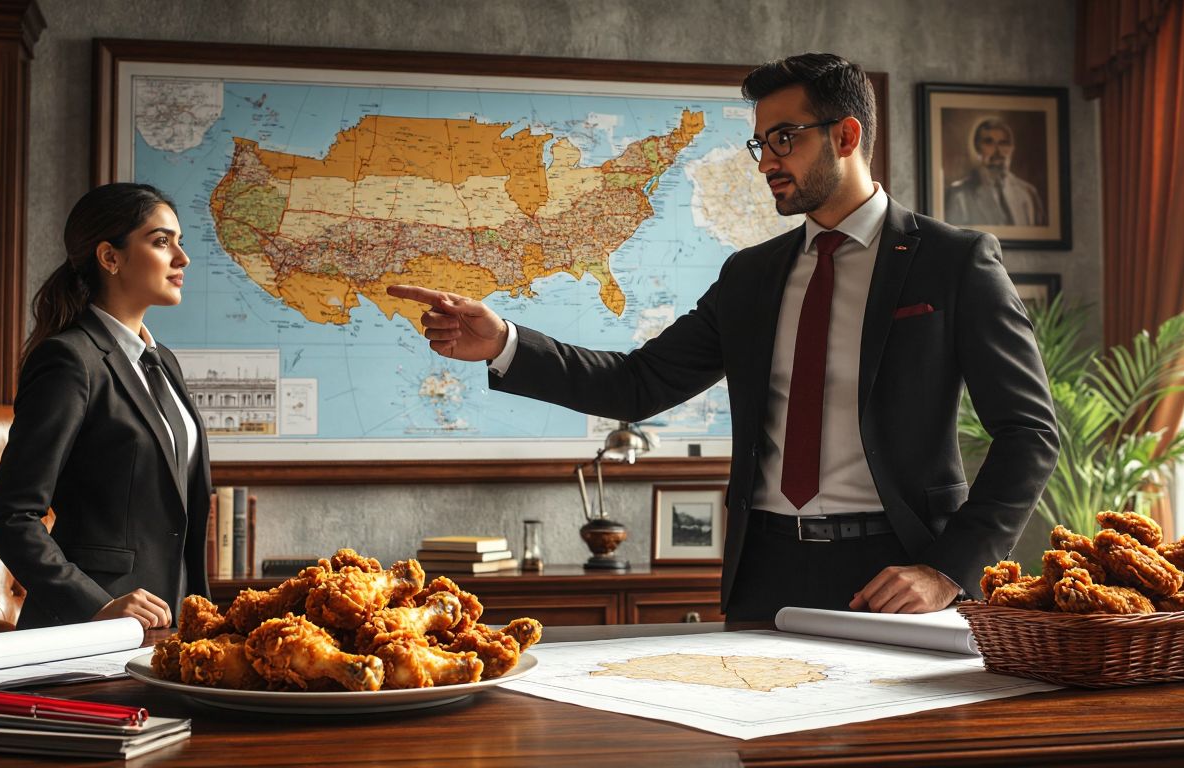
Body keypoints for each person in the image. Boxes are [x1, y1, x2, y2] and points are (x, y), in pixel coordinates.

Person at [388, 53, 1059, 620]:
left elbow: (1029, 431)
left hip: (896, 573)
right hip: (763, 573)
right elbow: (638, 384)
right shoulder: (751, 276)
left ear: (847, 135)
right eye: (760, 143)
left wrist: (946, 570)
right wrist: (504, 341)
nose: (766, 160)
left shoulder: (954, 262)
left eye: (785, 138)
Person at [0, 183, 211, 630]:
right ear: (110, 257)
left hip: (171, 626)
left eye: (179, 242)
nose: (181, 258)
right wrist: (96, 606)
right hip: (87, 634)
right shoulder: (70, 359)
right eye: (162, 241)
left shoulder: (162, 361)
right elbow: (12, 518)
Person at [944, 116, 1046, 227]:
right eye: (989, 142)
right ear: (977, 148)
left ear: (1012, 148)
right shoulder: (958, 195)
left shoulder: (1028, 194)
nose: (998, 150)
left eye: (1004, 143)